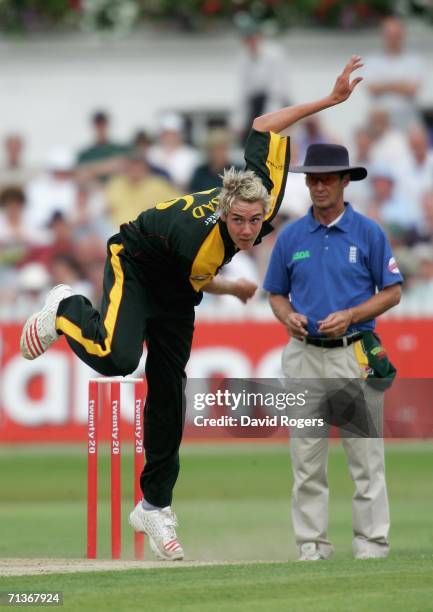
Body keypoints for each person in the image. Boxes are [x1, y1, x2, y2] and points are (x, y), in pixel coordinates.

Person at [20, 57, 362, 562]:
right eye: (239, 223)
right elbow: (200, 275)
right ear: (225, 213)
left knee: (168, 395)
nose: (248, 231)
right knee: (117, 359)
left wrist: (328, 102)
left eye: (254, 221)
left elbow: (265, 125)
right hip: (136, 261)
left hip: (179, 286)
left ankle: (154, 506)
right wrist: (233, 288)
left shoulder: (260, 193)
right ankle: (66, 305)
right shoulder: (201, 242)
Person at [263, 119, 403, 560]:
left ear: (345, 181)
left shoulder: (368, 233)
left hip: (354, 355)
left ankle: (371, 543)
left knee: (365, 459)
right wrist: (289, 318)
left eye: (327, 179)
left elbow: (394, 291)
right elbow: (276, 294)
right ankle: (311, 546)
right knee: (306, 462)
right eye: (312, 179)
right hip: (304, 357)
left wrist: (352, 315)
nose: (318, 186)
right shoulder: (291, 236)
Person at [364, 16, 425, 130]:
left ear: (402, 35)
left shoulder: (414, 60)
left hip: (408, 121)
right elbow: (372, 89)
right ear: (383, 36)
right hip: (380, 122)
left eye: (396, 35)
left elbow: (413, 90)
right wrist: (400, 85)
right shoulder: (373, 60)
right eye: (389, 35)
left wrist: (385, 85)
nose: (393, 39)